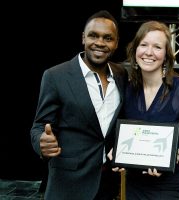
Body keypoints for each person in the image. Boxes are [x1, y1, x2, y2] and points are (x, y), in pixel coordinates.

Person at [30, 10, 128, 200]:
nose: (100, 42)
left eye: (108, 38)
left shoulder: (122, 74)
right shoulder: (56, 76)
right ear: (83, 38)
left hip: (108, 182)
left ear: (116, 43)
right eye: (93, 35)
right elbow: (39, 125)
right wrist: (41, 143)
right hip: (68, 183)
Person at [119, 20, 179, 200]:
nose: (149, 52)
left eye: (157, 47)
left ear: (167, 55)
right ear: (135, 50)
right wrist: (116, 151)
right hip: (134, 185)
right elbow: (121, 133)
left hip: (168, 186)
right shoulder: (127, 89)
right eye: (143, 44)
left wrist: (171, 158)